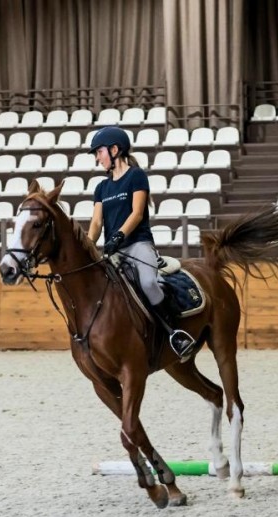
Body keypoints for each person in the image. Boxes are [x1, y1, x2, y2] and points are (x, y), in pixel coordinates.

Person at [86, 126, 194, 358]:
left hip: (137, 244)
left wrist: (118, 236)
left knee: (147, 283)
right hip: (113, 251)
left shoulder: (136, 176)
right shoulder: (101, 187)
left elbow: (136, 213)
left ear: (115, 150)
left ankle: (175, 334)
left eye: (99, 152)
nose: (97, 158)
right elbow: (96, 223)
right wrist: (87, 245)